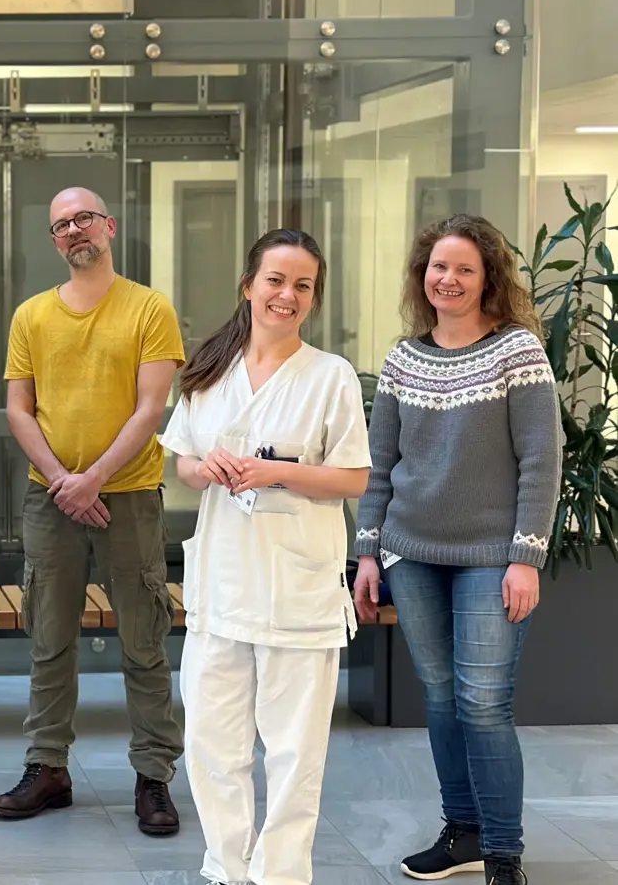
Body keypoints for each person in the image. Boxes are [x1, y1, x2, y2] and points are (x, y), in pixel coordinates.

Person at [354, 214, 561, 885]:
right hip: (409, 554)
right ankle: (462, 832)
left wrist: (525, 558)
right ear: (423, 275)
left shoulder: (518, 352)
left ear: (487, 279)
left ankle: (502, 851)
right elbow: (379, 463)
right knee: (440, 699)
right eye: (437, 266)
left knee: (482, 702)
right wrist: (366, 552)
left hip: (489, 558)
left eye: (464, 269)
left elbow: (540, 462)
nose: (447, 278)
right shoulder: (401, 358)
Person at [160, 229, 371, 885]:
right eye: (275, 280)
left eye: (301, 285)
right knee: (210, 743)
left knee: (293, 751)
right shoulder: (206, 371)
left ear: (312, 298)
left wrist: (274, 473)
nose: (286, 295)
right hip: (222, 585)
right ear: (248, 286)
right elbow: (182, 463)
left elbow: (353, 479)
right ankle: (225, 866)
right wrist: (207, 467)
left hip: (297, 590)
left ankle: (280, 874)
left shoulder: (328, 377)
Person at [0, 187, 185, 836]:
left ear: (109, 226)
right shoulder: (30, 317)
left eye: (83, 219)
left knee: (143, 641)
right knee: (49, 641)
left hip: (128, 495)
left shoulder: (149, 308)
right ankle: (47, 766)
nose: (74, 230)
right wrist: (61, 480)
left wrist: (94, 479)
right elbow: (20, 407)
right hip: (49, 499)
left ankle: (153, 777)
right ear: (54, 241)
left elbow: (149, 408)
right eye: (61, 225)